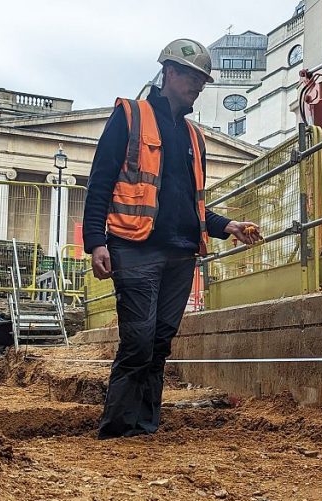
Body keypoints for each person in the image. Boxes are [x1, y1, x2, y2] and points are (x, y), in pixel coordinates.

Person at [82, 38, 262, 440]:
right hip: (134, 245)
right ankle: (116, 427)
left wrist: (226, 226)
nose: (199, 85)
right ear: (169, 73)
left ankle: (145, 426)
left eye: (203, 79)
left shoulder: (194, 137)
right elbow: (100, 183)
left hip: (181, 253)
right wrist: (96, 241)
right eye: (193, 77)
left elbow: (190, 203)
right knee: (139, 339)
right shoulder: (130, 117)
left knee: (160, 342)